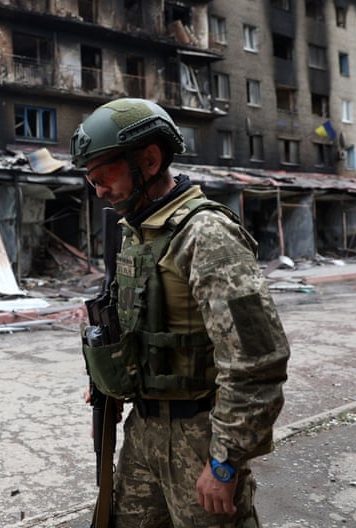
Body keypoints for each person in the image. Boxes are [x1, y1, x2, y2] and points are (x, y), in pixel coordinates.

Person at [72, 98, 290, 528]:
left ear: (149, 161)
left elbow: (257, 362)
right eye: (90, 181)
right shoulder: (136, 230)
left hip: (200, 436)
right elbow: (134, 325)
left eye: (103, 177)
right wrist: (108, 377)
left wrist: (224, 462)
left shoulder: (206, 235)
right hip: (144, 430)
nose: (98, 190)